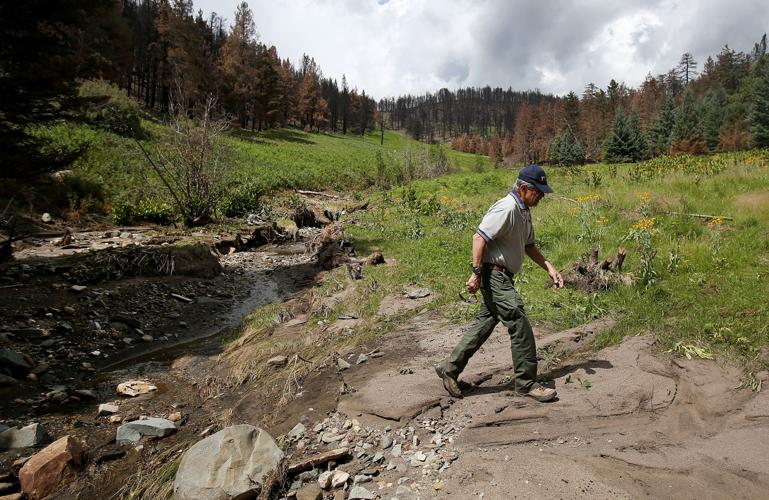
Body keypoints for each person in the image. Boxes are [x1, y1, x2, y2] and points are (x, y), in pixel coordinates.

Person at [435, 164, 564, 403]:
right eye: (538, 191)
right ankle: (526, 384)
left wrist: (550, 268)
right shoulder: (507, 207)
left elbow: (529, 246)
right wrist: (476, 273)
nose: (542, 196)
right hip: (494, 274)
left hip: (502, 275)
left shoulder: (524, 210)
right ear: (524, 188)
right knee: (518, 319)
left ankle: (449, 368)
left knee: (484, 323)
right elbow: (479, 237)